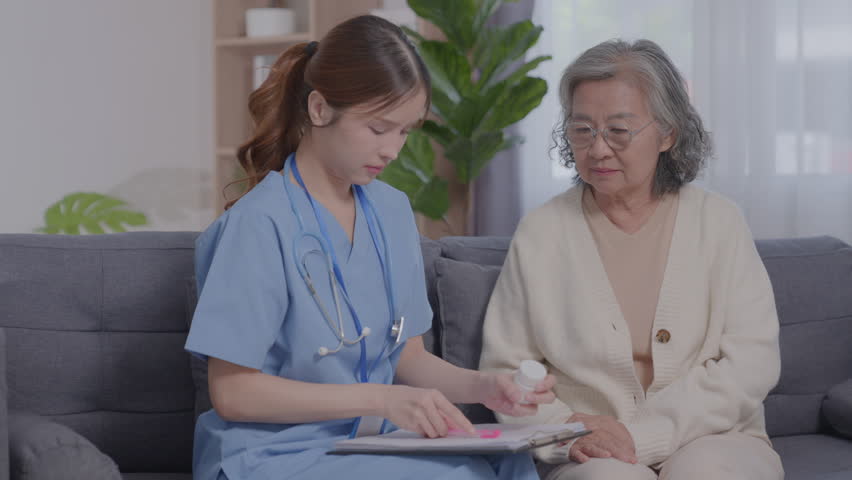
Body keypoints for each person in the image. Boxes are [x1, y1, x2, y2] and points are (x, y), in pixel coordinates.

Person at [185, 15, 556, 480]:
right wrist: (382, 399)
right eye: (379, 129)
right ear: (319, 110)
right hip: (273, 453)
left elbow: (407, 357)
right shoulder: (258, 223)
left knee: (512, 462)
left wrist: (486, 388)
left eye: (405, 132)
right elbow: (234, 394)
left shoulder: (391, 210)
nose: (393, 150)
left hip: (368, 444)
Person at [478, 39, 785, 480]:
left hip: (717, 436)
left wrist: (643, 438)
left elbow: (751, 363)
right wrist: (566, 430)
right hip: (586, 449)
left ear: (667, 133)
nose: (598, 149)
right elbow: (507, 370)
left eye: (618, 131)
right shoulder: (541, 233)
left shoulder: (719, 222)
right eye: (582, 130)